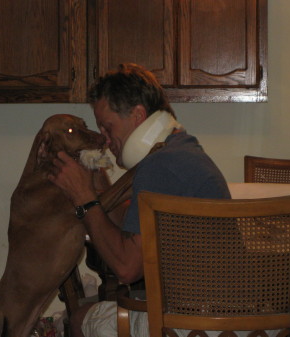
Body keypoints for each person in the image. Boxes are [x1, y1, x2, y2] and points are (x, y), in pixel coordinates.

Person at [48, 63, 231, 337]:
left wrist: (83, 197)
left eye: (108, 128)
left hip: (200, 322)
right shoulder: (179, 149)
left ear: (137, 116)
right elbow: (134, 230)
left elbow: (126, 268)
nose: (105, 140)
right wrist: (97, 187)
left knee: (79, 318)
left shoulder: (160, 165)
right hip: (220, 313)